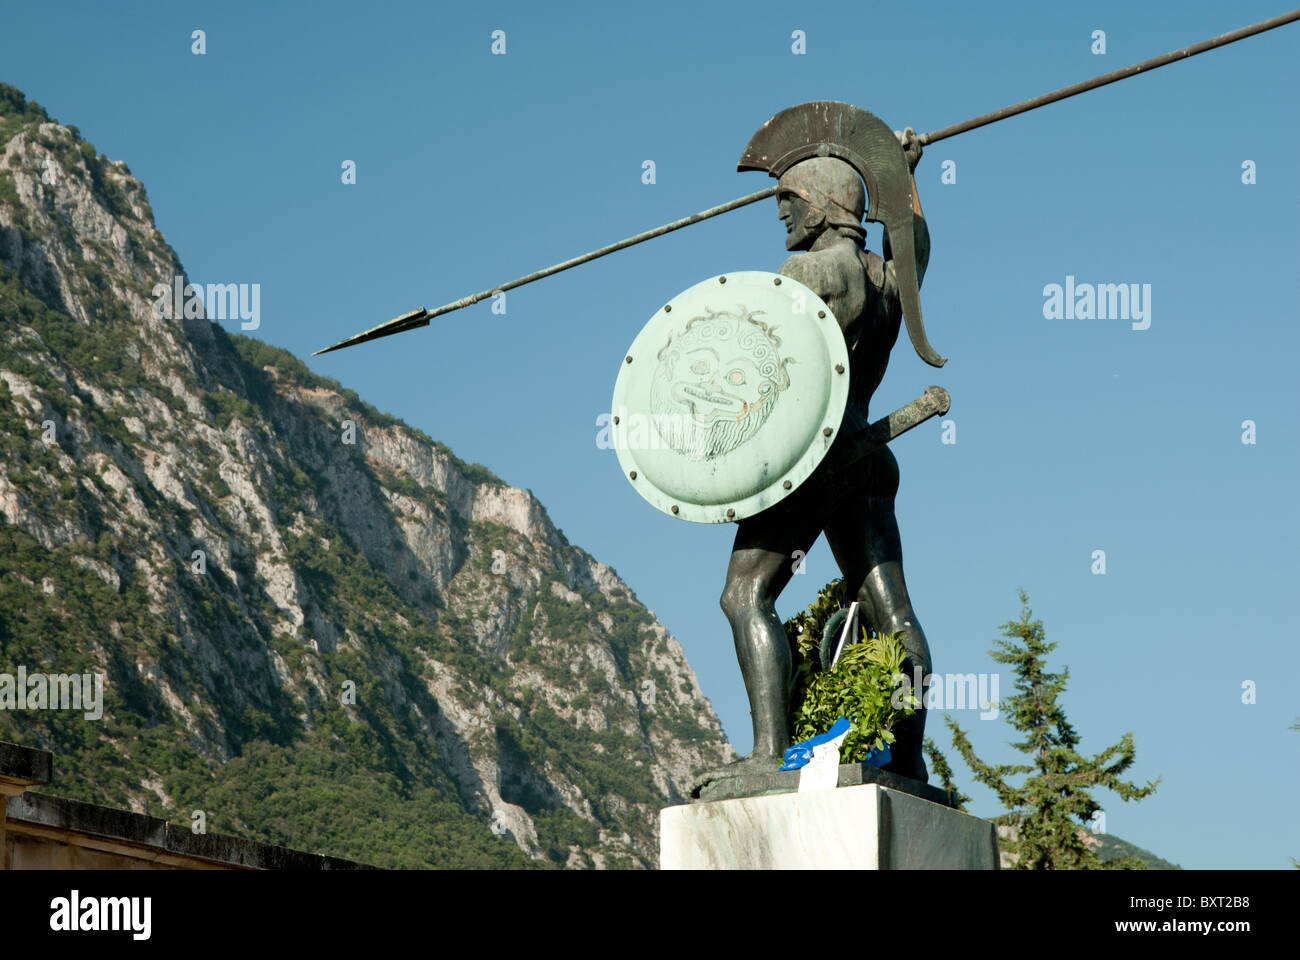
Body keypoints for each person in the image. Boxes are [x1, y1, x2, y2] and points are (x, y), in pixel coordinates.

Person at [709, 128, 932, 784]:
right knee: (894, 612)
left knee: (744, 595)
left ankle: (767, 757)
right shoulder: (887, 281)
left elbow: (770, 384)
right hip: (868, 457)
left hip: (813, 459)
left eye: (789, 201)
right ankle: (907, 758)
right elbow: (915, 248)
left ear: (823, 205)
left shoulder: (806, 273)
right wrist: (906, 179)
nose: (781, 213)